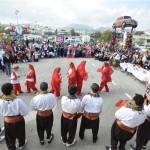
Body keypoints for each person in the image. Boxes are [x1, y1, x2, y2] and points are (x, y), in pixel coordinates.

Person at [0, 83, 28, 150]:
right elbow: (25, 112)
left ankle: (12, 148)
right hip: (19, 121)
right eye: (13, 88)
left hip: (7, 122)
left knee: (9, 137)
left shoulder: (0, 101)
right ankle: (21, 144)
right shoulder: (18, 101)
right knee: (21, 134)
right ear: (11, 91)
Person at [130, 76, 150, 150]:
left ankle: (137, 147)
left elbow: (145, 112)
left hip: (147, 121)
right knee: (147, 135)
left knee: (140, 135)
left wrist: (141, 104)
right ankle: (143, 146)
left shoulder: (148, 106)